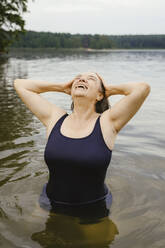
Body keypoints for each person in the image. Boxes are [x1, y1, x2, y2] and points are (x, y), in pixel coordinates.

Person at [14, 72, 150, 217]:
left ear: (99, 96)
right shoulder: (55, 118)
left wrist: (109, 90)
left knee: (97, 240)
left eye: (91, 79)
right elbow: (20, 85)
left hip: (93, 207)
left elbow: (142, 88)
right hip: (49, 201)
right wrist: (62, 87)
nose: (82, 79)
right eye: (78, 78)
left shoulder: (108, 122)